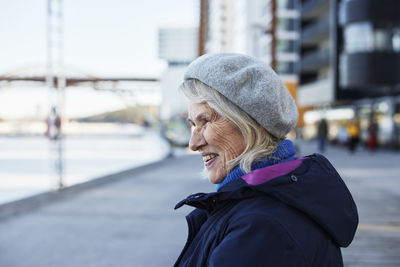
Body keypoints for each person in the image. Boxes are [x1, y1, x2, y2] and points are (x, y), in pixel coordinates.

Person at [174, 53, 358, 267]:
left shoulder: (261, 227)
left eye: (204, 121)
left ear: (251, 123)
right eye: (192, 124)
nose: (193, 143)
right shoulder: (256, 206)